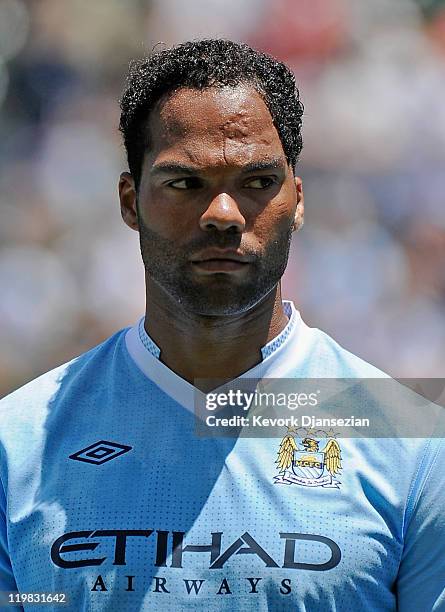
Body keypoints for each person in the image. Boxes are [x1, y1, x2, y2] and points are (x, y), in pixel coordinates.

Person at [0, 39, 444, 612]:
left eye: (258, 182)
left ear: (298, 200)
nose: (224, 215)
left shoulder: (413, 447)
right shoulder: (18, 444)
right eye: (185, 184)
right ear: (130, 202)